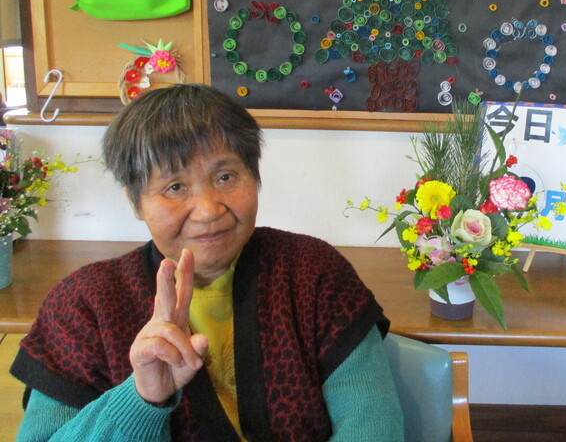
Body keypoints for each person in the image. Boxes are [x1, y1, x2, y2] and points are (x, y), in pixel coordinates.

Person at [10, 83, 403, 441]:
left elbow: (373, 425)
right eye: (175, 187)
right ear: (135, 202)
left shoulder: (313, 272)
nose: (208, 209)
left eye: (225, 177)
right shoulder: (84, 306)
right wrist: (141, 398)